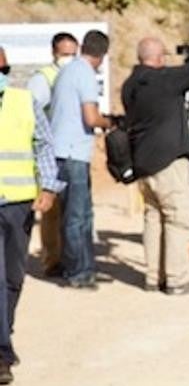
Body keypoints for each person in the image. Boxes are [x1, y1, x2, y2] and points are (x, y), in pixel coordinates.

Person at [122, 38, 189, 295]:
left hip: (143, 162)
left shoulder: (130, 84)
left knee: (153, 219)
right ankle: (176, 280)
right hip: (169, 162)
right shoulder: (165, 80)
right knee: (179, 219)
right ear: (160, 57)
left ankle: (153, 277)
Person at [0, 46, 65, 386]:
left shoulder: (24, 102)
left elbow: (43, 144)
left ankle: (4, 331)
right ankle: (1, 353)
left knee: (12, 277)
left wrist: (49, 186)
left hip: (17, 204)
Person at [48, 29, 112, 290]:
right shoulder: (86, 74)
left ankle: (69, 264)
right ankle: (81, 273)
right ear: (102, 56)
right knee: (79, 216)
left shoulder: (67, 69)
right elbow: (91, 117)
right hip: (75, 151)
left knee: (68, 215)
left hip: (59, 150)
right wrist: (110, 122)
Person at [26, 32, 78, 277]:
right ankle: (51, 260)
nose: (69, 58)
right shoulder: (43, 78)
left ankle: (70, 257)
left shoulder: (78, 75)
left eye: (72, 54)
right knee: (52, 211)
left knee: (73, 210)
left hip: (72, 149)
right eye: (64, 54)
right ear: (54, 53)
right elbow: (32, 115)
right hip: (50, 151)